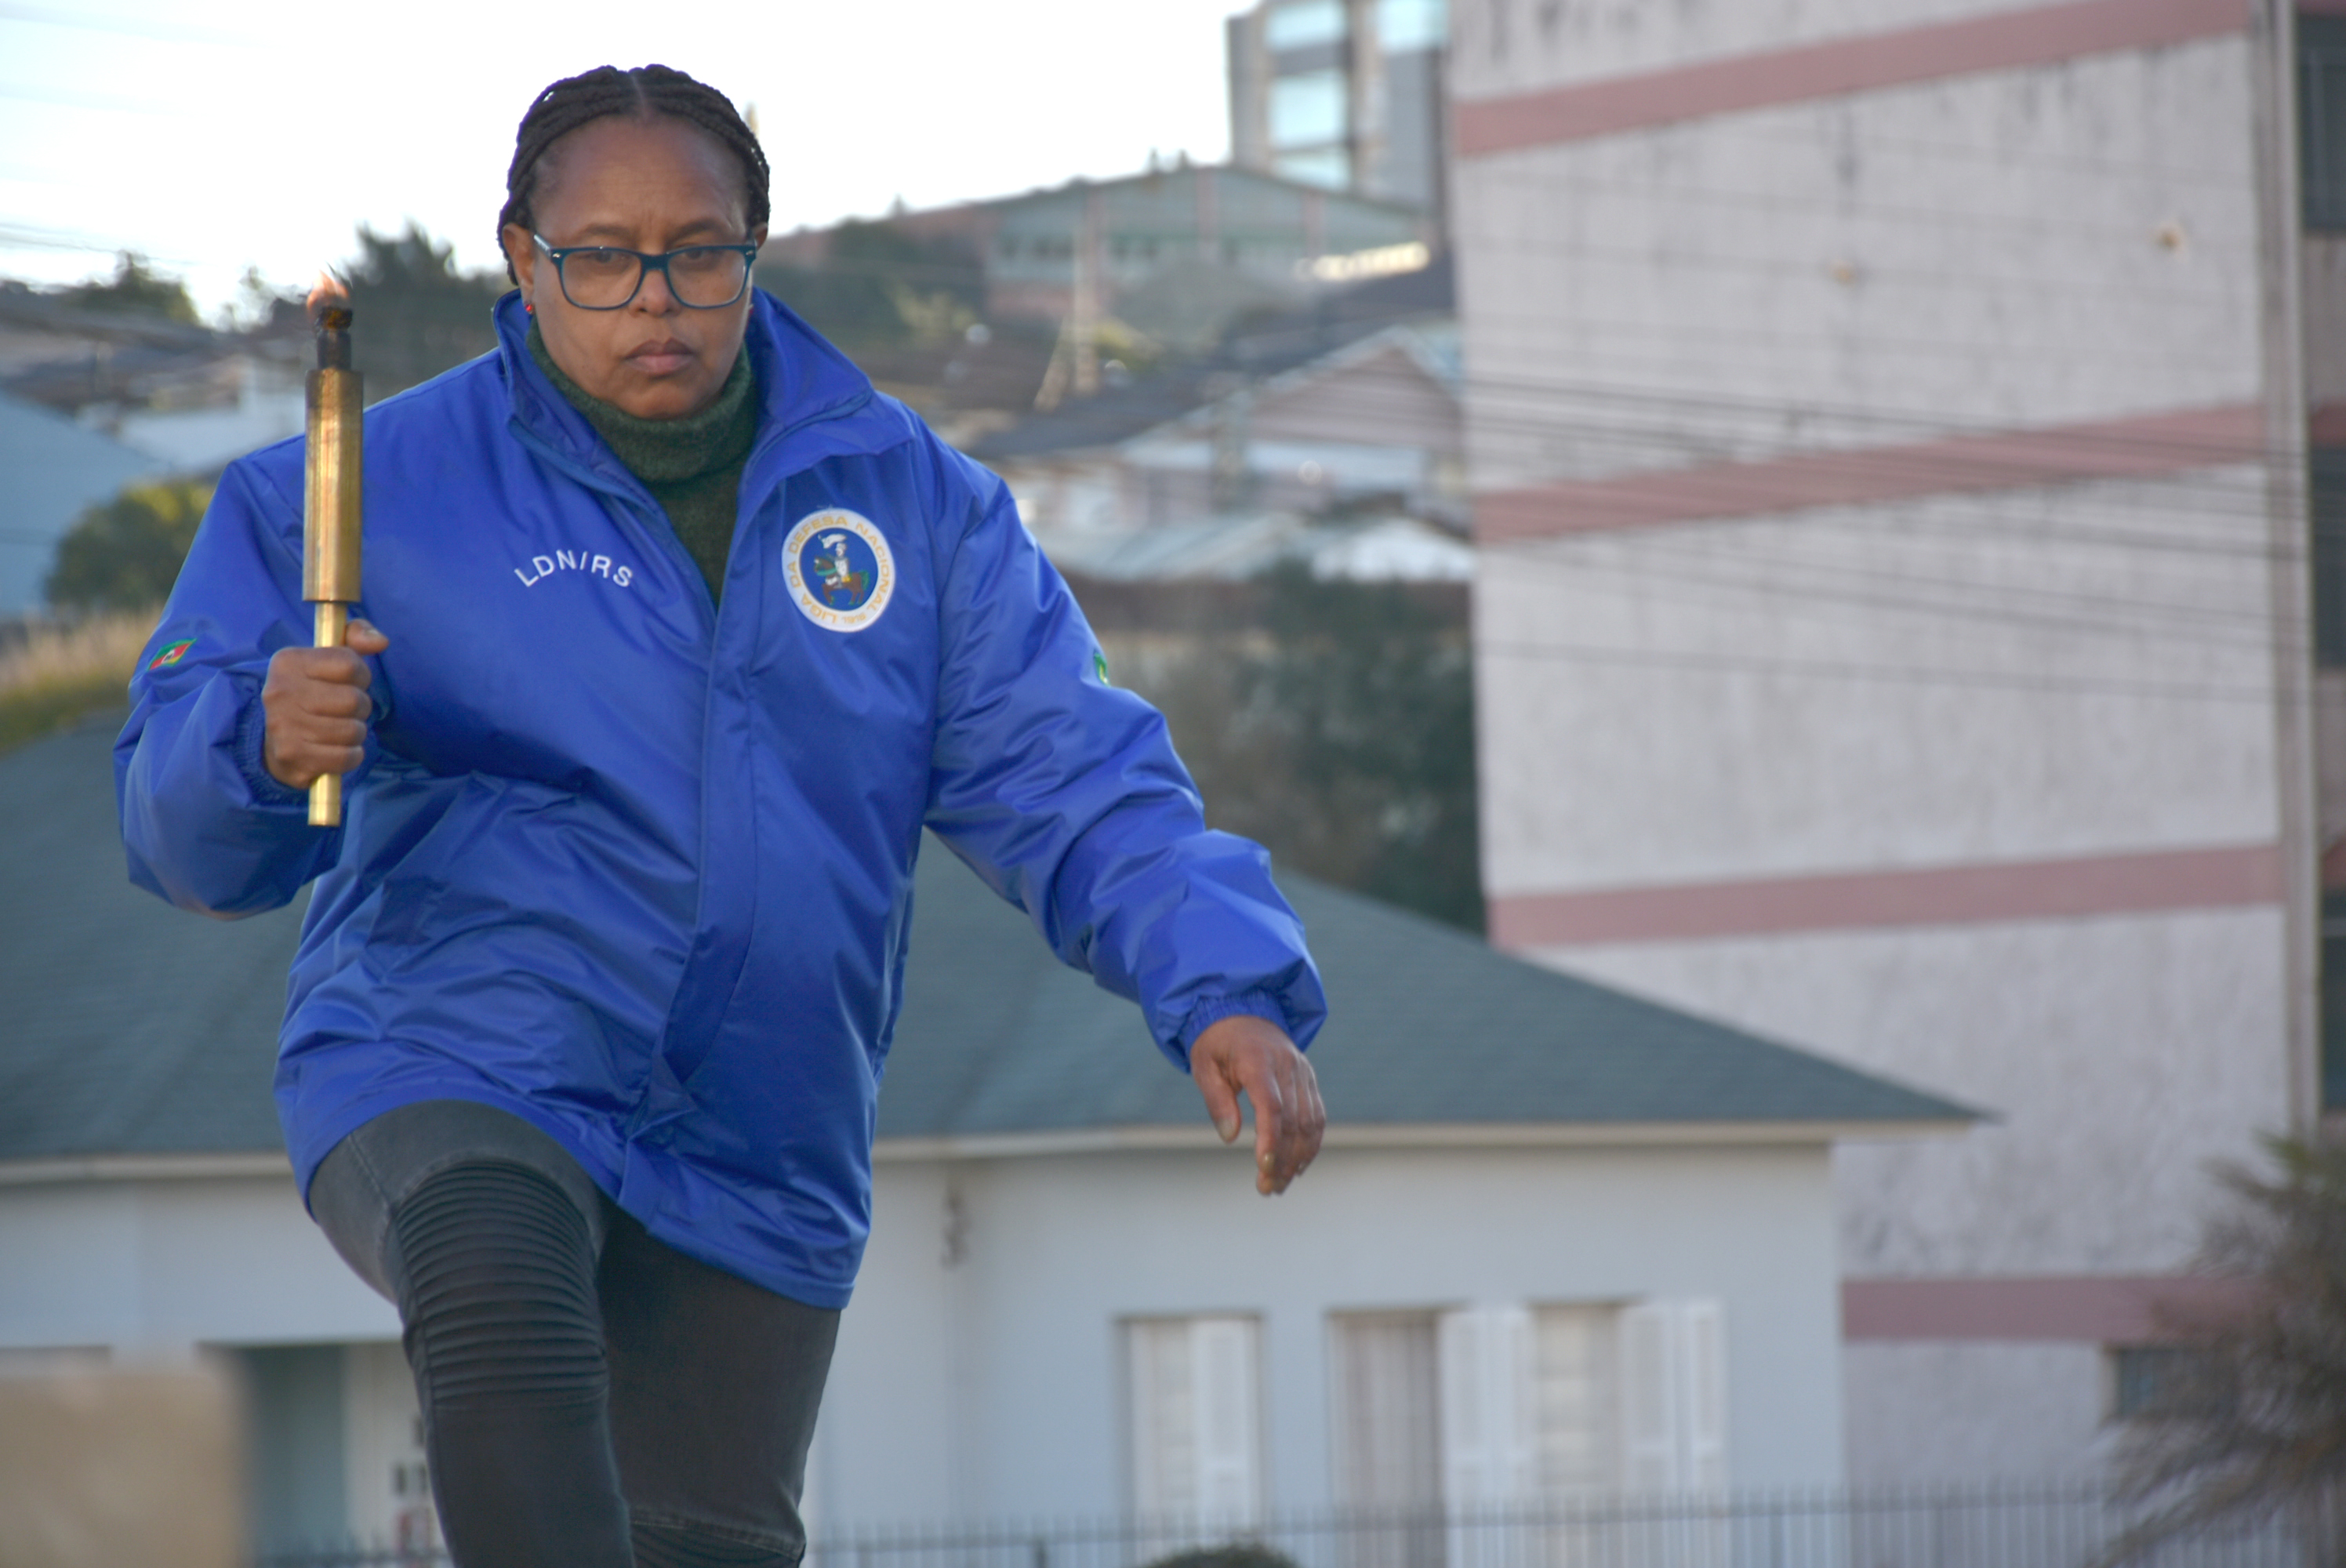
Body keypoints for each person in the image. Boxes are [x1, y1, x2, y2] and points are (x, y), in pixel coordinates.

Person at [115, 64, 1326, 1568]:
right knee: (498, 1305)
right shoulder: (344, 493)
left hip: (764, 1140)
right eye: (602, 258)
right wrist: (253, 742)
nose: (657, 298)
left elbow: (1075, 775)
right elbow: (183, 844)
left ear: (755, 252)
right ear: (522, 261)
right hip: (454, 1061)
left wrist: (1225, 984)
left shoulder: (917, 507)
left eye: (700, 254)